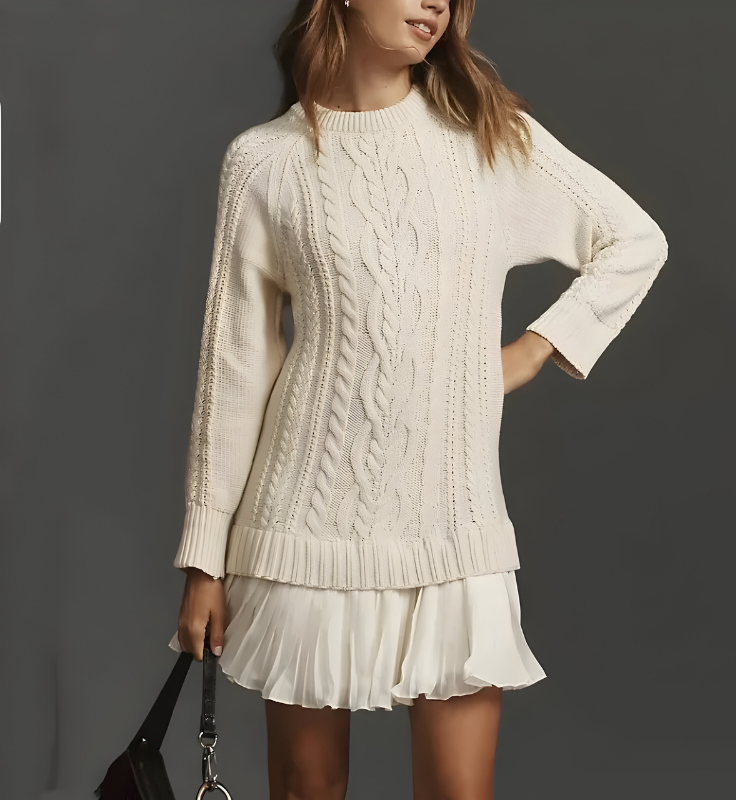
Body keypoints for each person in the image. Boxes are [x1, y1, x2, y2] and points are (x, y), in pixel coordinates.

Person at [168, 0, 669, 796]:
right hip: (302, 527)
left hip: (454, 524)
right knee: (304, 790)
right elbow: (235, 364)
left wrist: (532, 352)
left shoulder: (488, 140)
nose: (436, 2)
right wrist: (204, 559)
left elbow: (633, 239)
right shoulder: (265, 161)